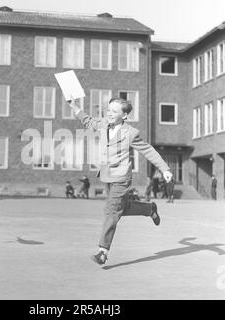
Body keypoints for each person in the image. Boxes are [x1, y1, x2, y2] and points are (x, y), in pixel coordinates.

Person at [68, 97, 173, 265]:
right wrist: (74, 107)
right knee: (121, 209)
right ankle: (149, 209)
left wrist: (165, 168)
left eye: (114, 111)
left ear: (124, 116)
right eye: (108, 110)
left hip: (122, 177)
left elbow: (148, 150)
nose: (109, 113)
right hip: (107, 175)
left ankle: (103, 251)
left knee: (111, 210)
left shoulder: (131, 133)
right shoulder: (103, 124)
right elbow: (88, 122)